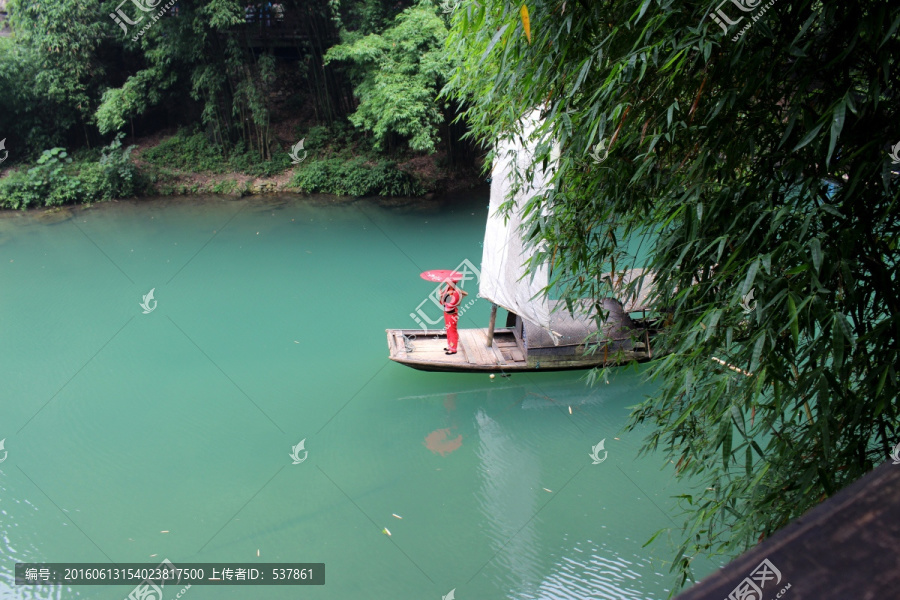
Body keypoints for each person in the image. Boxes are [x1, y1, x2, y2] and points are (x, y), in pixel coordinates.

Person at [440, 281, 467, 355]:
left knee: (452, 330)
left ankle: (453, 348)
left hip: (452, 314)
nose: (448, 284)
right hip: (446, 312)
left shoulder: (456, 292)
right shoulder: (447, 290)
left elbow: (451, 304)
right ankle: (449, 346)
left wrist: (445, 296)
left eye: (449, 282)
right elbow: (443, 302)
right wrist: (442, 295)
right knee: (448, 329)